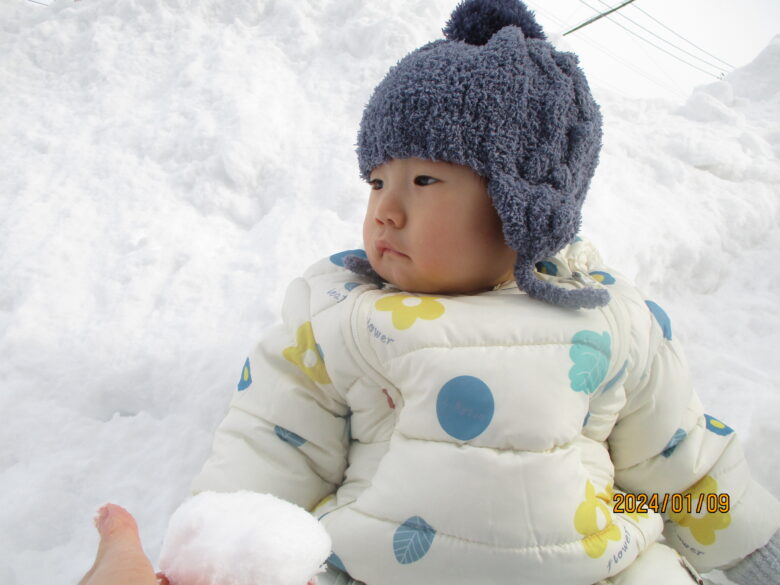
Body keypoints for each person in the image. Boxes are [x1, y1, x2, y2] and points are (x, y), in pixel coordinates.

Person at [187, 0, 780, 584]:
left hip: (595, 565)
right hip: (376, 566)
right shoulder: (342, 312)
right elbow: (274, 444)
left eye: (424, 180)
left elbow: (678, 462)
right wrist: (223, 549)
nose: (385, 211)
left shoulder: (609, 319)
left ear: (521, 203)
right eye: (376, 181)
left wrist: (752, 548)